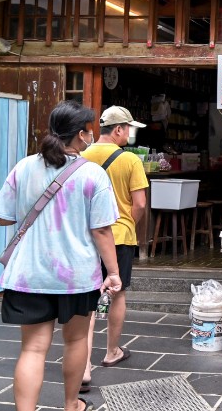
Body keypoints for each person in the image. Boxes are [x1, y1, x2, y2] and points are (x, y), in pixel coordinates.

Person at [0, 100, 121, 411]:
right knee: (76, 342)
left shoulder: (24, 167)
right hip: (75, 276)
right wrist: (114, 272)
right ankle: (70, 405)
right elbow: (102, 231)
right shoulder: (92, 175)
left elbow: (2, 217)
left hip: (29, 274)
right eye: (88, 131)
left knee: (33, 350)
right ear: (80, 135)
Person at [81, 106, 148, 384]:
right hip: (118, 237)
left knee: (86, 300)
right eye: (129, 129)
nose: (130, 134)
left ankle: (83, 367)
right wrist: (126, 224)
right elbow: (140, 203)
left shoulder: (81, 157)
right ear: (118, 130)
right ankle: (111, 352)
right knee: (116, 293)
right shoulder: (130, 160)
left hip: (85, 237)